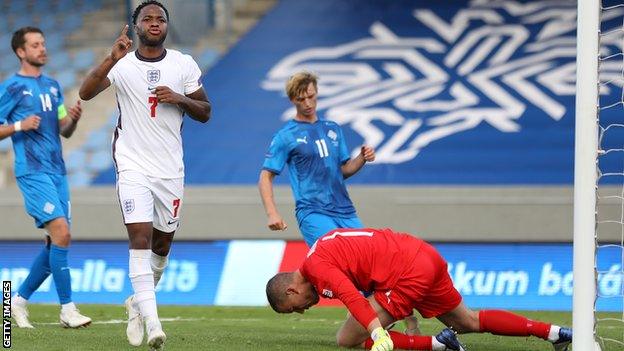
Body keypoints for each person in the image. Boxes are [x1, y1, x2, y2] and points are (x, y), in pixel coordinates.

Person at [78, 1, 211, 349]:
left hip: (170, 169)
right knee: (139, 238)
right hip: (132, 164)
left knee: (162, 246)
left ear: (167, 26)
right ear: (135, 26)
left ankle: (137, 302)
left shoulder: (183, 63)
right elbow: (85, 93)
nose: (154, 23)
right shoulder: (121, 64)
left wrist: (180, 98)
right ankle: (154, 323)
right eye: (147, 18)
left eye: (160, 18)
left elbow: (206, 111)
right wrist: (111, 57)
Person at [266, 228, 573, 351]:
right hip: (424, 256)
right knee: (467, 321)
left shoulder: (317, 264)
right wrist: (396, 314)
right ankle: (553, 332)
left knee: (348, 337)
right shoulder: (322, 250)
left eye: (297, 307)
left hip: (407, 272)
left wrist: (377, 332)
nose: (305, 309)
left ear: (291, 291)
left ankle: (439, 344)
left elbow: (350, 296)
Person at [0, 27, 91, 329]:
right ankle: (67, 309)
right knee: (62, 233)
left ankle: (17, 301)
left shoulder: (54, 86)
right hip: (32, 170)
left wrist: (72, 120)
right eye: (35, 45)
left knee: (55, 243)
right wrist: (19, 126)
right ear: (20, 52)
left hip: (58, 171)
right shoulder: (12, 87)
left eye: (43, 43)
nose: (42, 49)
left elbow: (63, 128)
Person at [258, 71, 375, 248]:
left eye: (310, 96)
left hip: (346, 210)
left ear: (317, 92)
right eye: (300, 99)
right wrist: (272, 213)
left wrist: (362, 158)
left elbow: (343, 171)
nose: (307, 103)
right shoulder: (286, 136)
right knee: (334, 258)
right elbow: (266, 176)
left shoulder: (333, 128)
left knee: (366, 256)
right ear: (292, 100)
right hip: (313, 211)